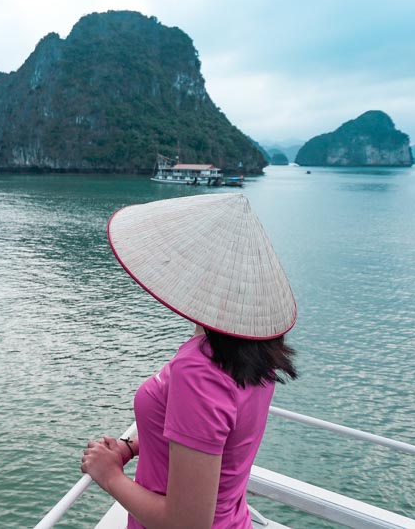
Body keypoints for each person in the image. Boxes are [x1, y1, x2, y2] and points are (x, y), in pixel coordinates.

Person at [80, 193, 298, 529]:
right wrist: (133, 446)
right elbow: (216, 437)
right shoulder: (257, 353)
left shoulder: (198, 370)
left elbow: (187, 523)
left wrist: (109, 475)